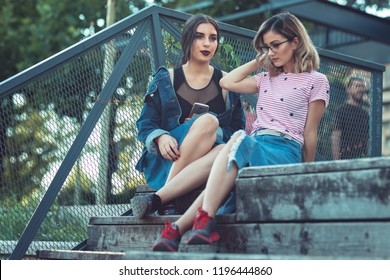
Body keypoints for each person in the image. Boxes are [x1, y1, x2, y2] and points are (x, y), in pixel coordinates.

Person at [151, 11, 330, 252]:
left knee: (236, 141)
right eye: (266, 47)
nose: (271, 52)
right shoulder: (265, 78)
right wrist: (259, 61)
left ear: (296, 41)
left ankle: (178, 226)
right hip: (252, 145)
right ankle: (181, 225)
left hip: (283, 150)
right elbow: (227, 82)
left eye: (275, 45)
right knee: (231, 147)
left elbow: (310, 133)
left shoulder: (316, 81)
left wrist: (306, 173)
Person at [132, 14, 245, 217]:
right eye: (199, 36)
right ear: (188, 40)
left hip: (207, 158)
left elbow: (237, 131)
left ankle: (162, 198)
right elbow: (145, 124)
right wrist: (160, 137)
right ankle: (169, 195)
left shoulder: (228, 83)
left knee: (222, 145)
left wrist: (206, 130)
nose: (207, 43)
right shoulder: (166, 78)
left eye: (213, 38)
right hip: (168, 158)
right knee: (209, 120)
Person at [331, 76, 369, 160]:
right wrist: (337, 162)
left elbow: (367, 139)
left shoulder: (365, 114)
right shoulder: (341, 111)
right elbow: (336, 136)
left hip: (363, 159)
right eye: (357, 86)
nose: (360, 89)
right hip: (346, 158)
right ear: (348, 90)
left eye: (362, 86)